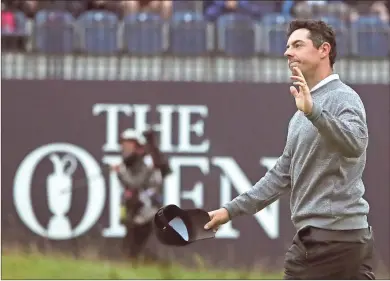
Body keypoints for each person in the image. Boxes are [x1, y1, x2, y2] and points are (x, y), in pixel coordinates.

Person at [204, 19, 376, 280]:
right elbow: (280, 176)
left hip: (329, 239)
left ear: (324, 50)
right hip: (338, 238)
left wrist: (313, 112)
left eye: (297, 45)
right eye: (287, 46)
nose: (287, 52)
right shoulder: (300, 114)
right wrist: (229, 211)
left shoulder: (343, 97)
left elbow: (355, 145)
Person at [112, 128, 167, 262]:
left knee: (136, 247)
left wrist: (120, 172)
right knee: (131, 247)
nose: (125, 148)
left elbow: (136, 183)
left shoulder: (144, 162)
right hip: (136, 212)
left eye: (129, 144)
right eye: (123, 144)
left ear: (137, 146)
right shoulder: (131, 162)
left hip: (146, 213)